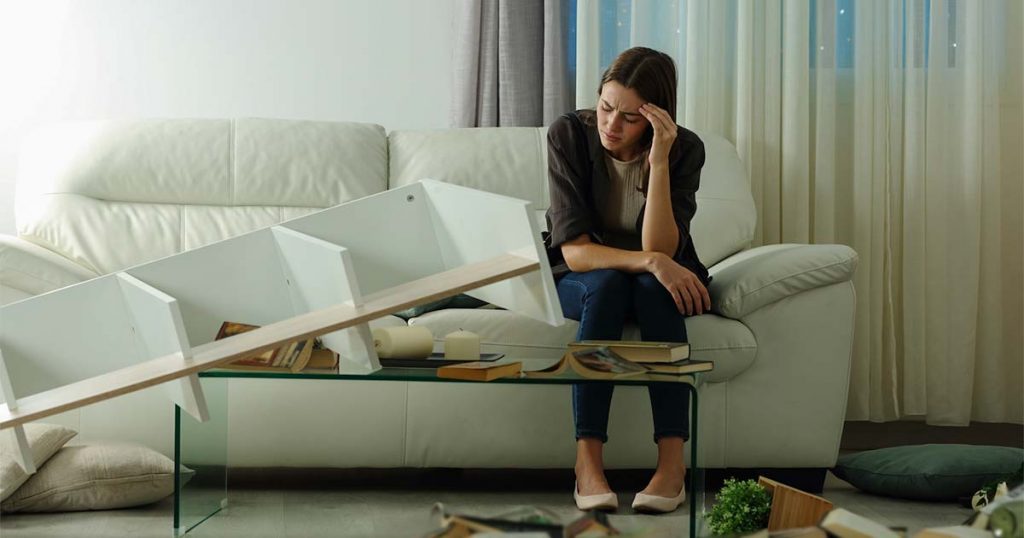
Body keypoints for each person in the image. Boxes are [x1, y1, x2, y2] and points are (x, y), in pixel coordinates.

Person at [544, 46, 711, 513]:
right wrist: (652, 262)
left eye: (630, 118)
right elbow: (575, 253)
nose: (610, 126)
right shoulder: (568, 135)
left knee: (651, 286)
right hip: (586, 277)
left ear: (657, 119)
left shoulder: (685, 149)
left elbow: (662, 248)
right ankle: (588, 462)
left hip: (650, 280)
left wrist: (658, 161)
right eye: (605, 107)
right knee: (613, 284)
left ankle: (672, 466)